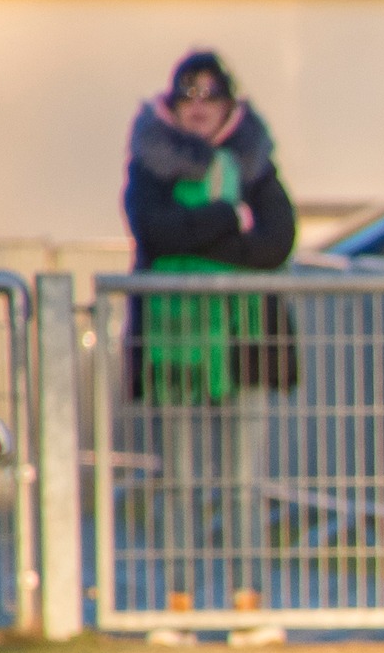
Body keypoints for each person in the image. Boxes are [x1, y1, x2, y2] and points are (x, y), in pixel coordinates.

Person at [122, 50, 299, 618]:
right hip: (172, 343)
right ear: (172, 106)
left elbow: (276, 242)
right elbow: (154, 229)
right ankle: (180, 601)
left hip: (244, 342)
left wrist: (195, 237)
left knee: (243, 477)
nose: (199, 108)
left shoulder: (255, 164)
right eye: (188, 97)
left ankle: (248, 600)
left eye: (211, 96)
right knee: (178, 478)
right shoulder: (149, 167)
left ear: (229, 103)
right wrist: (228, 220)